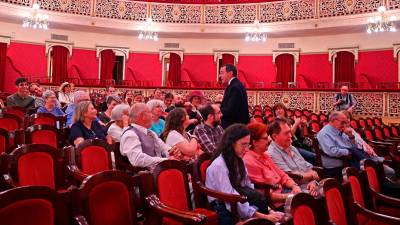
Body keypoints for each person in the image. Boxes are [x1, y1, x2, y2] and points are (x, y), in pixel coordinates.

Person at [206, 124, 284, 224]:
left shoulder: (238, 159)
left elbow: (247, 187)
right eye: (243, 144)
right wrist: (264, 217)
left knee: (257, 198)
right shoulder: (219, 165)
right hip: (222, 205)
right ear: (231, 143)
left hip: (238, 201)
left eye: (248, 145)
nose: (247, 149)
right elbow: (230, 197)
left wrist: (269, 211)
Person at [244, 123, 307, 208]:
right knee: (308, 200)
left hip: (285, 191)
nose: (269, 140)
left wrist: (294, 186)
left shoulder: (264, 155)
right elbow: (264, 195)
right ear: (255, 142)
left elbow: (282, 175)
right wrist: (290, 197)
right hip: (275, 202)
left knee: (316, 194)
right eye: (265, 138)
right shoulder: (248, 161)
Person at [266, 119, 320, 192]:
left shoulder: (291, 147)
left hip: (311, 185)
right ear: (275, 136)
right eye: (286, 133)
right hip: (297, 191)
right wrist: (312, 175)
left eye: (290, 132)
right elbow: (292, 177)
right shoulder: (272, 153)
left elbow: (307, 167)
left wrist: (313, 181)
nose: (290, 135)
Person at [317, 111, 369, 177]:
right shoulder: (324, 133)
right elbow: (332, 151)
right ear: (333, 121)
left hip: (351, 160)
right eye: (342, 122)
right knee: (369, 171)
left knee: (371, 168)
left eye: (345, 123)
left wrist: (351, 136)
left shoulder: (341, 130)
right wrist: (349, 152)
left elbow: (354, 147)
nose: (345, 125)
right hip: (338, 164)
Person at [120, 103, 171, 170]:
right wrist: (164, 160)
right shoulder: (130, 134)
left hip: (160, 169)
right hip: (145, 176)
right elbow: (137, 159)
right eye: (150, 112)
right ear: (143, 116)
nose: (152, 116)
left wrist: (172, 152)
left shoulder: (150, 132)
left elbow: (163, 147)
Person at [219, 64, 250, 128]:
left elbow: (231, 110)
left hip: (234, 127)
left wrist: (217, 112)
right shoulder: (235, 85)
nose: (220, 76)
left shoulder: (234, 87)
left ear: (230, 73)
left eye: (222, 73)